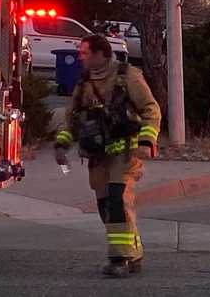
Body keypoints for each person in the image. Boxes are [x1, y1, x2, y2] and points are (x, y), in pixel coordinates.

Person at [55, 34, 162, 278]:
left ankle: (118, 260)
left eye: (84, 53)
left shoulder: (127, 76)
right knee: (107, 207)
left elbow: (150, 108)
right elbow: (71, 118)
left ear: (100, 53)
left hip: (125, 153)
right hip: (98, 156)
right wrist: (61, 145)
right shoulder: (84, 83)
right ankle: (133, 254)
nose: (80, 57)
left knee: (117, 200)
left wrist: (147, 140)